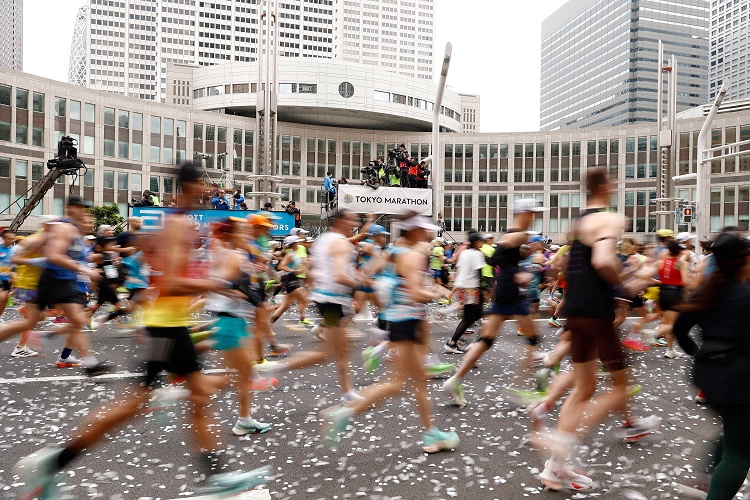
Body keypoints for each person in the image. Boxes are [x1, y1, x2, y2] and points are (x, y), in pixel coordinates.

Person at [13, 163, 270, 498]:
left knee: (197, 397)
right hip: (165, 328)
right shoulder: (176, 224)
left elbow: (158, 268)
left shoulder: (176, 223)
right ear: (191, 185)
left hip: (171, 325)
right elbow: (171, 282)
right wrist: (219, 283)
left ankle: (215, 476)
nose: (211, 190)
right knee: (133, 405)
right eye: (205, 184)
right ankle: (53, 462)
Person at [539, 168, 660, 492]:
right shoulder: (609, 218)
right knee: (620, 387)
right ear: (604, 186)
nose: (616, 185)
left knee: (584, 387)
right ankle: (563, 444)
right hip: (596, 312)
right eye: (614, 181)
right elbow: (603, 260)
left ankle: (554, 467)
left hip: (576, 311)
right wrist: (626, 287)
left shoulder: (579, 222)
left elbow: (567, 265)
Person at [321, 212, 460, 453]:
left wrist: (393, 292)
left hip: (398, 320)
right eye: (423, 229)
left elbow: (366, 275)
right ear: (414, 231)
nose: (427, 233)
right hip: (408, 322)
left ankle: (431, 435)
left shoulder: (392, 252)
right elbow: (415, 293)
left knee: (418, 382)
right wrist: (436, 294)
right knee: (397, 383)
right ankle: (344, 412)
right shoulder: (413, 256)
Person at [442, 199, 547, 408]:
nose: (534, 217)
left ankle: (455, 380)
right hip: (512, 293)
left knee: (486, 340)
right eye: (531, 213)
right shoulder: (519, 234)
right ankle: (522, 387)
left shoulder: (514, 234)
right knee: (533, 339)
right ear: (524, 213)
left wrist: (520, 258)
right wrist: (516, 273)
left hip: (504, 292)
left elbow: (500, 256)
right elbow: (500, 253)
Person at [672, 231, 750, 500]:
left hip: (708, 375)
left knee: (735, 431)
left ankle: (708, 481)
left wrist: (699, 355)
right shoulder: (745, 295)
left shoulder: (705, 293)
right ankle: (713, 485)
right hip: (739, 378)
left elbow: (679, 331)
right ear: (744, 261)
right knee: (739, 453)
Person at [444, 232, 485, 353]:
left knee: (472, 315)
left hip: (463, 288)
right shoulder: (477, 254)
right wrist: (484, 289)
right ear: (476, 242)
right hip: (472, 288)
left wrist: (455, 289)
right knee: (475, 315)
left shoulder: (464, 253)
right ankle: (455, 342)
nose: (482, 243)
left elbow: (460, 270)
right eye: (481, 241)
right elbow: (479, 273)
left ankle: (454, 342)